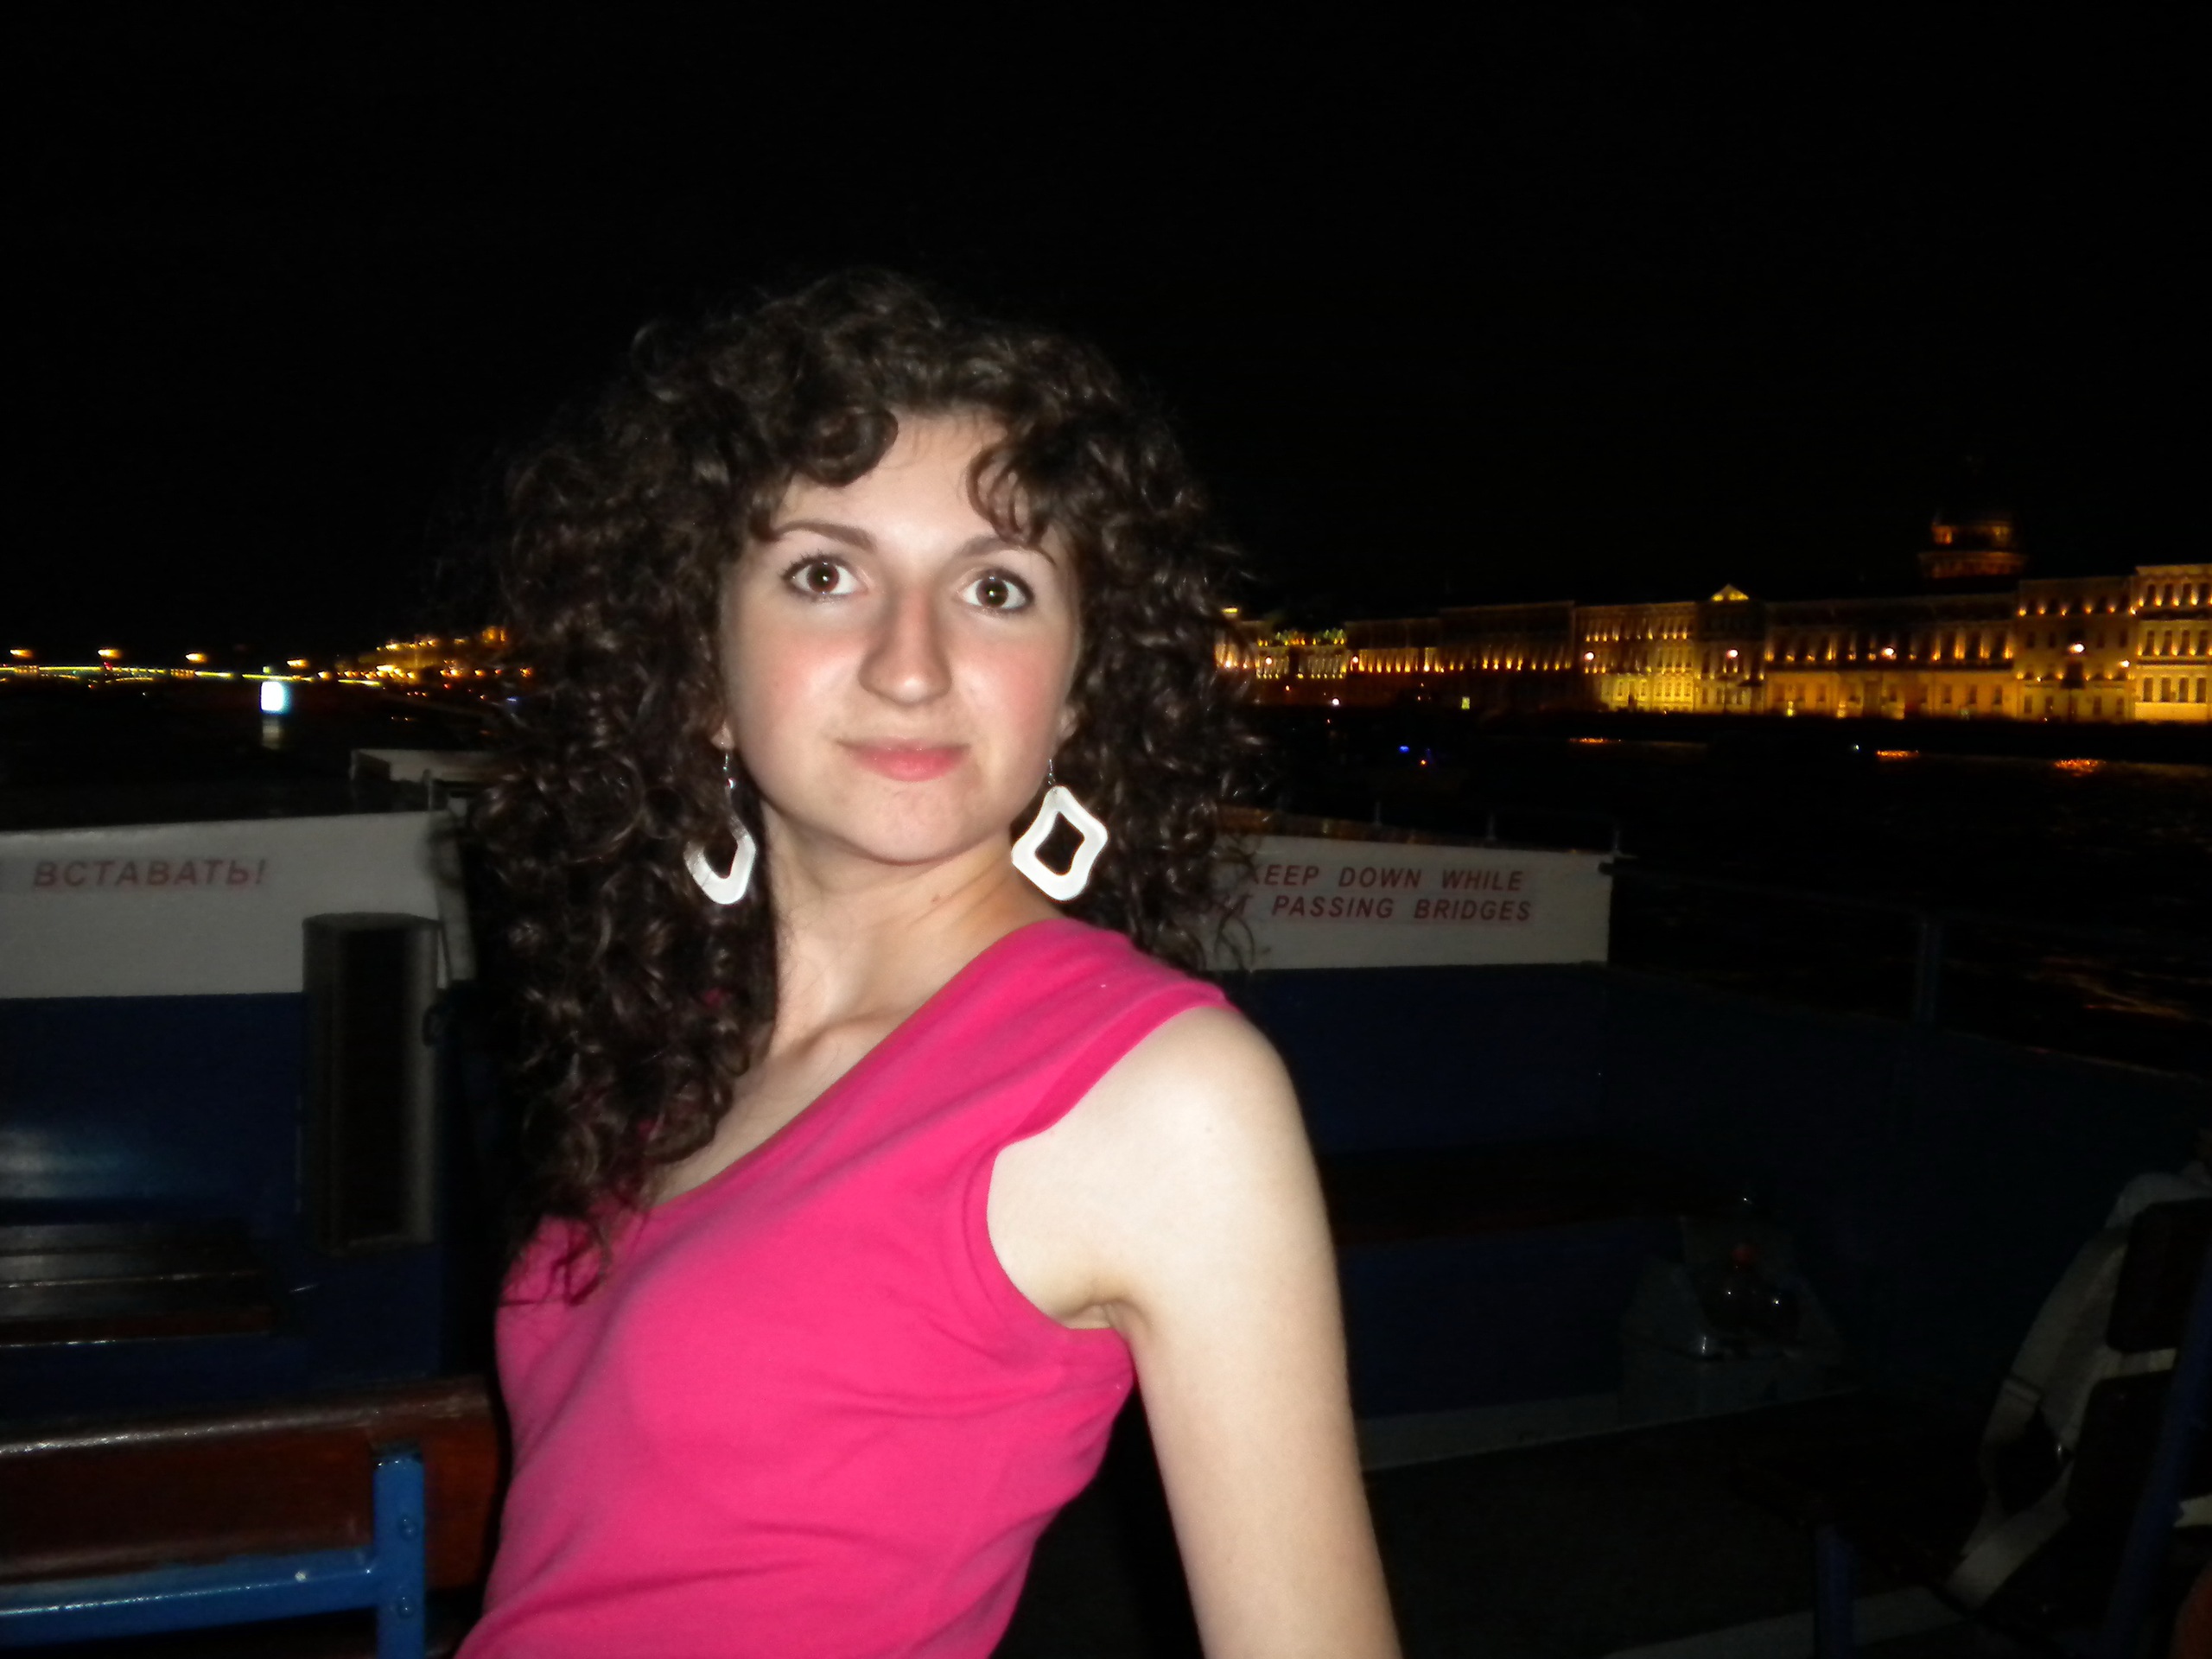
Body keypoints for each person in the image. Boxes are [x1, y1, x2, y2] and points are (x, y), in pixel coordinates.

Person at [461, 272, 1401, 1658]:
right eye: (824, 575)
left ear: (1074, 693)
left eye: (997, 589)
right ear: (703, 669)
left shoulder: (1158, 1094)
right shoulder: (702, 1035)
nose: (911, 665)